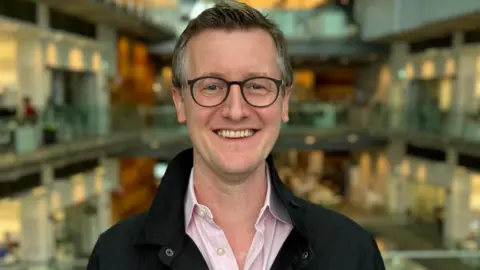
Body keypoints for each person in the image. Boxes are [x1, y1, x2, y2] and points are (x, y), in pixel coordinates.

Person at [87, 1, 385, 270]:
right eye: (211, 86)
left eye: (257, 85)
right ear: (179, 103)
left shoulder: (351, 252)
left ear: (284, 102)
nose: (235, 110)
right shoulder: (114, 257)